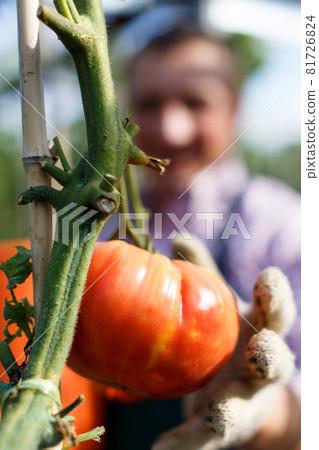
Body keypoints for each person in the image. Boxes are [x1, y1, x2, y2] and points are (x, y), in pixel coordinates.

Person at [102, 27, 300, 449]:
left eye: (196, 102)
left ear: (234, 109)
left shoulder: (285, 226)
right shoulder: (103, 223)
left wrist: (264, 412)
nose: (171, 129)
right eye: (149, 103)